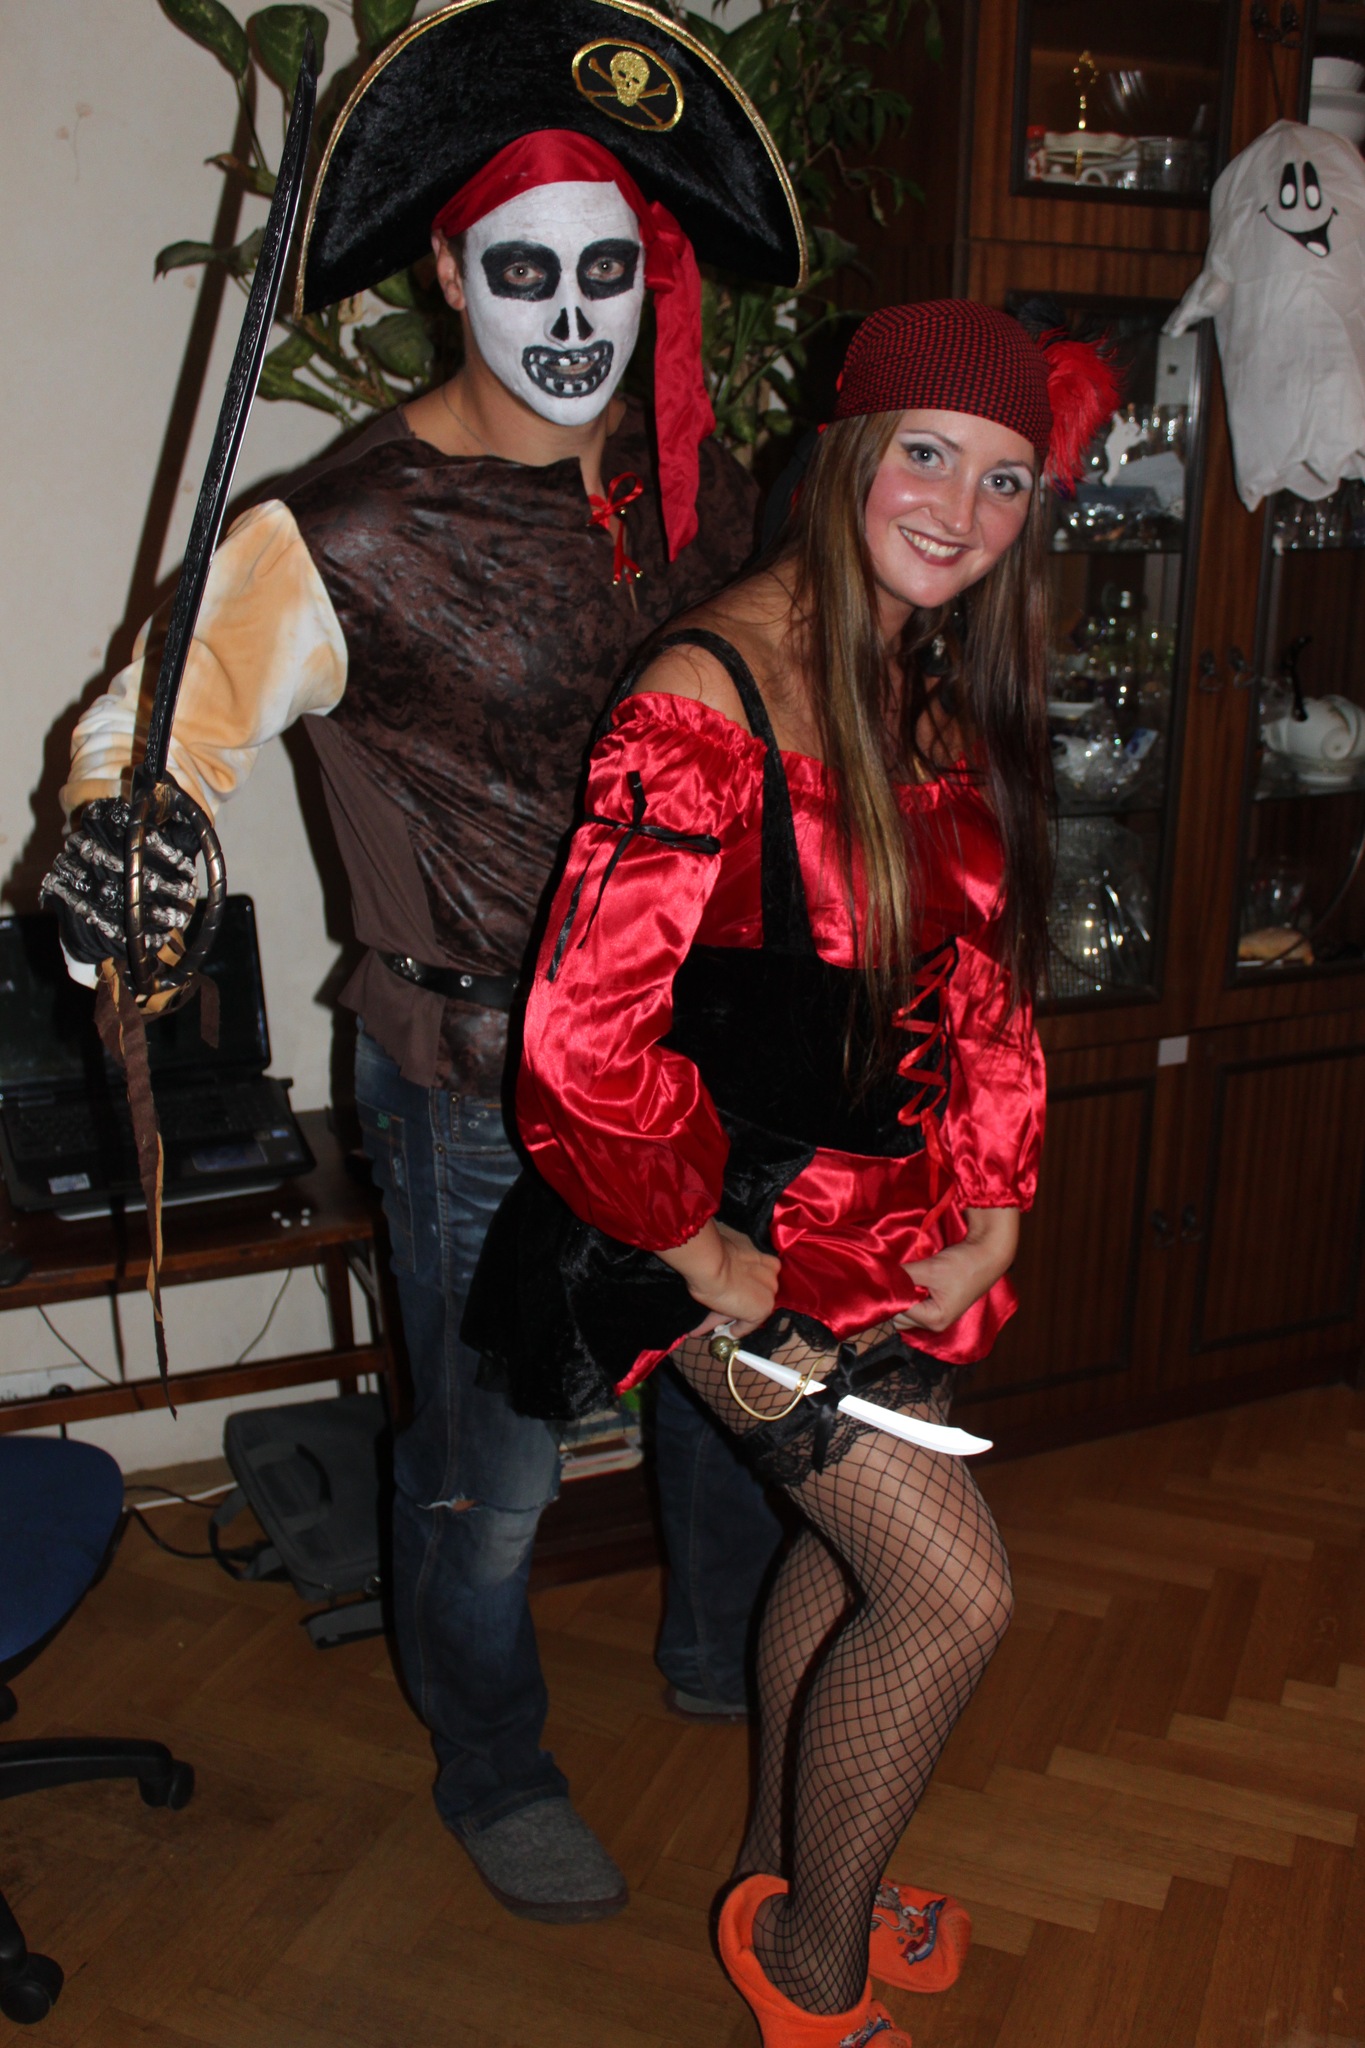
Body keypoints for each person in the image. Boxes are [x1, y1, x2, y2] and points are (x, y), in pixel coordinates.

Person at [38, 0, 801, 1926]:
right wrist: (129, 824)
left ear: (653, 276)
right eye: (524, 271)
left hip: (690, 1048)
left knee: (721, 1379)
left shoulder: (689, 477)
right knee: (492, 1473)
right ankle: (492, 1763)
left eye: (608, 271)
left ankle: (715, 1653)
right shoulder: (342, 530)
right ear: (450, 273)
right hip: (473, 1086)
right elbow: (163, 719)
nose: (572, 313)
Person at [467, 298, 1118, 2039]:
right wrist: (710, 1260)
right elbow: (579, 1046)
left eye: (1002, 480)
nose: (960, 511)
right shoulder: (706, 691)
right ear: (841, 457)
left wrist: (994, 1202)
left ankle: (793, 1866)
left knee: (844, 1564)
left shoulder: (927, 669)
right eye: (926, 455)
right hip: (696, 1225)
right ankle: (814, 1981)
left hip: (882, 1213)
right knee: (952, 1591)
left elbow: (982, 978)